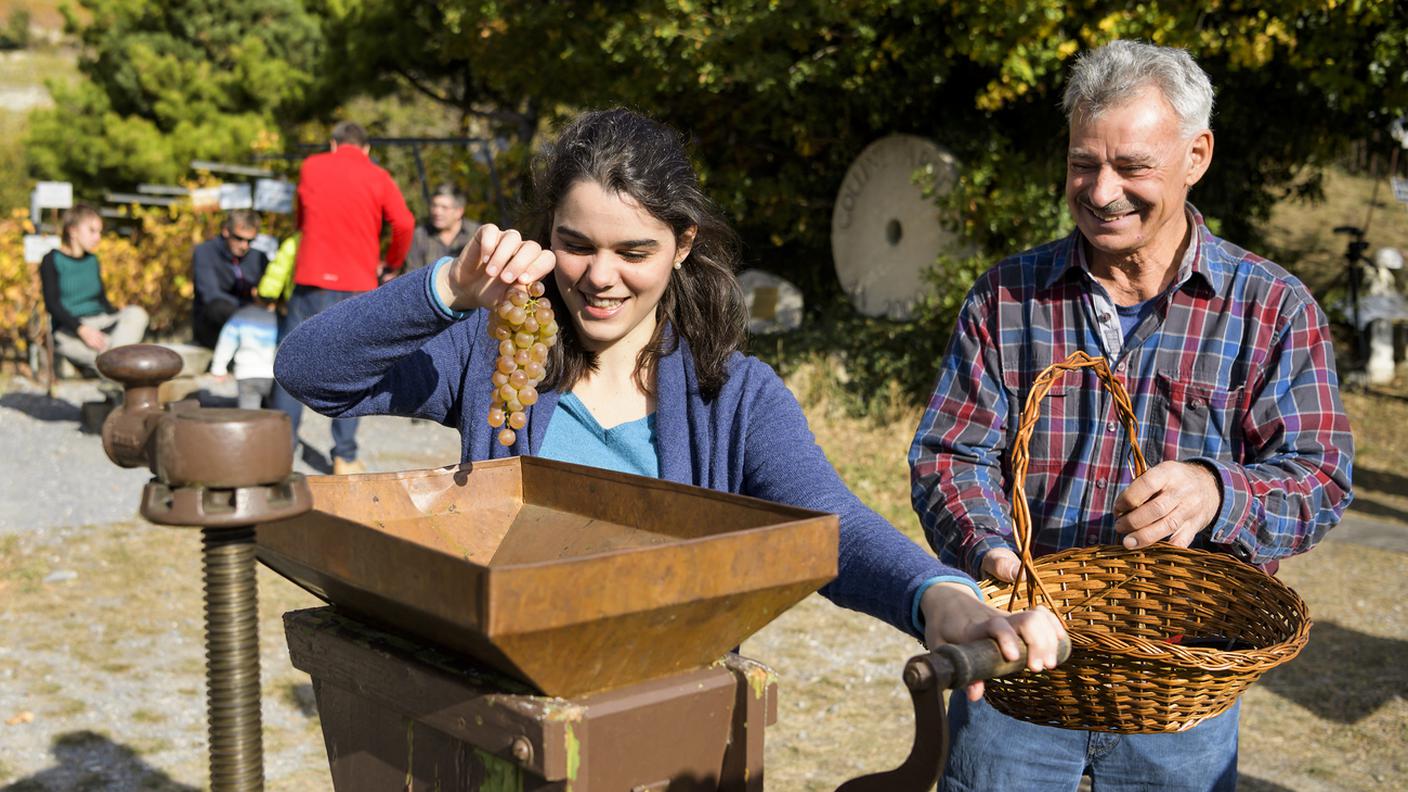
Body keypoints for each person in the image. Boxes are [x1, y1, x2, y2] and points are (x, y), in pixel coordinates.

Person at [276, 108, 1065, 686]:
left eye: (635, 251)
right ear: (546, 231)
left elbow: (835, 528)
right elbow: (312, 372)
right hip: (498, 701)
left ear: (682, 246)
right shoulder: (488, 354)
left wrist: (939, 598)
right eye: (575, 244)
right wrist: (446, 287)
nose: (599, 276)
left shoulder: (736, 396)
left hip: (659, 709)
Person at [908, 40, 1353, 791]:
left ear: (1196, 155)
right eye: (1084, 163)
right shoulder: (1008, 296)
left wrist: (1220, 493)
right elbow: (949, 454)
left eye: (1133, 166)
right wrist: (990, 551)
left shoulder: (1270, 309)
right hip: (1021, 670)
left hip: (1181, 691)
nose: (1102, 189)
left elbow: (1322, 475)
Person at [268, 120, 415, 475]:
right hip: (357, 283)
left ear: (333, 144)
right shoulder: (378, 176)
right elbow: (405, 223)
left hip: (311, 279)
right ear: (366, 149)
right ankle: (344, 456)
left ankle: (279, 454)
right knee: (353, 370)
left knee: (291, 362)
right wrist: (391, 263)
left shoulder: (311, 166)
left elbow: (301, 219)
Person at [38, 203, 149, 373]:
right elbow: (52, 304)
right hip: (70, 331)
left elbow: (101, 300)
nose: (98, 237)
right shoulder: (51, 260)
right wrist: (81, 329)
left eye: (99, 232)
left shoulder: (92, 261)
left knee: (137, 314)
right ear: (73, 231)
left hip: (101, 323)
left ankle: (112, 363)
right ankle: (115, 364)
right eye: (92, 231)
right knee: (121, 359)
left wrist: (121, 320)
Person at [192, 209, 268, 348]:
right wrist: (247, 309)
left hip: (250, 322)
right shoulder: (205, 251)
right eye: (239, 238)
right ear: (226, 231)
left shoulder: (258, 257)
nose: (244, 246)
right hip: (214, 326)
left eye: (250, 241)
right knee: (218, 306)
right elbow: (210, 294)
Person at [210, 302, 278, 410]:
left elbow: (226, 342)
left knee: (249, 417)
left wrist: (218, 368)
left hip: (246, 373)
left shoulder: (241, 315)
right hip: (274, 374)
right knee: (276, 415)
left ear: (254, 292)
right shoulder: (279, 317)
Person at [403, 183, 481, 272]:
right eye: (434, 206)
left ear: (459, 211)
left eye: (444, 207)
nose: (437, 212)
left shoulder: (476, 234)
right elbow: (411, 274)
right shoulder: (420, 235)